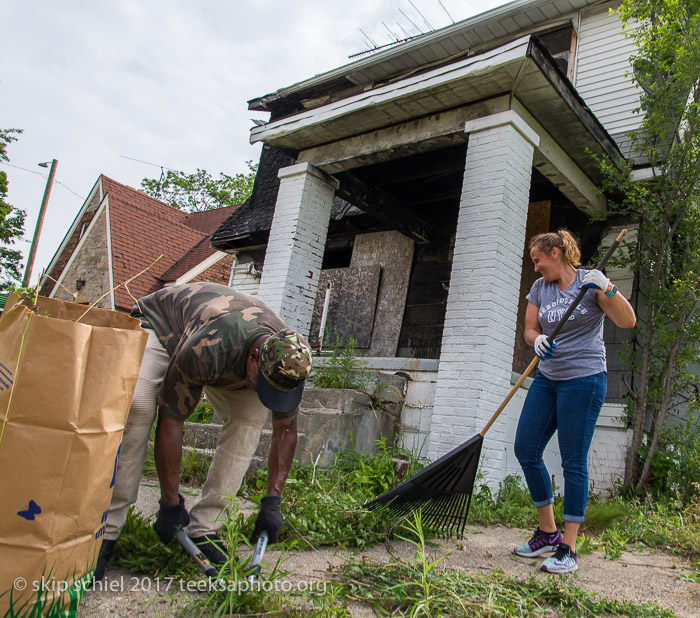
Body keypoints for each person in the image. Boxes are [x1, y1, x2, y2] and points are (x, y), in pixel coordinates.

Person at [94, 282, 312, 580]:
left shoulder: (288, 361)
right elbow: (171, 418)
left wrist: (272, 501)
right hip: (165, 326)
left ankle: (205, 528)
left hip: (224, 343)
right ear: (253, 358)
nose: (267, 393)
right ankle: (106, 530)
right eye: (262, 384)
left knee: (250, 416)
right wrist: (170, 503)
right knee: (139, 405)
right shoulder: (209, 347)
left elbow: (286, 429)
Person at [513, 229, 636, 574]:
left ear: (555, 253)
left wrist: (607, 288)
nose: (535, 267)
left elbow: (627, 321)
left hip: (584, 380)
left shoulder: (590, 283)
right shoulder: (540, 288)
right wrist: (536, 341)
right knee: (526, 449)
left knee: (573, 462)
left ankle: (568, 548)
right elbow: (529, 329)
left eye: (538, 259)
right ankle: (548, 533)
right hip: (548, 377)